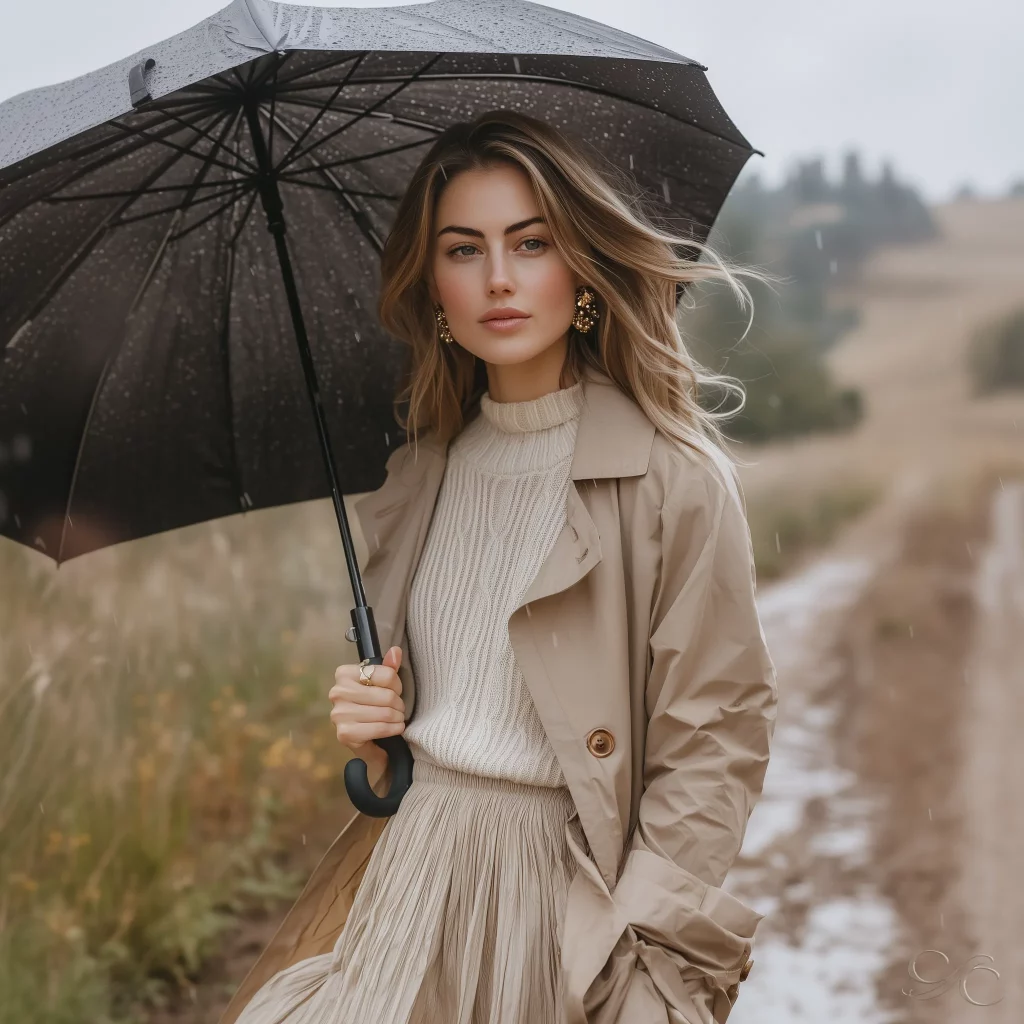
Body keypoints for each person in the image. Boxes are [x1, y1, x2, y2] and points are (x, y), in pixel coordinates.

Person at [221, 109, 779, 1024]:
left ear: (582, 266)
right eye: (463, 250)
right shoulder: (419, 476)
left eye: (531, 242)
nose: (499, 279)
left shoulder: (672, 481)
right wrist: (376, 732)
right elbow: (433, 736)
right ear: (432, 283)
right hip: (406, 895)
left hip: (563, 920)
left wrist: (644, 956)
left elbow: (713, 741)